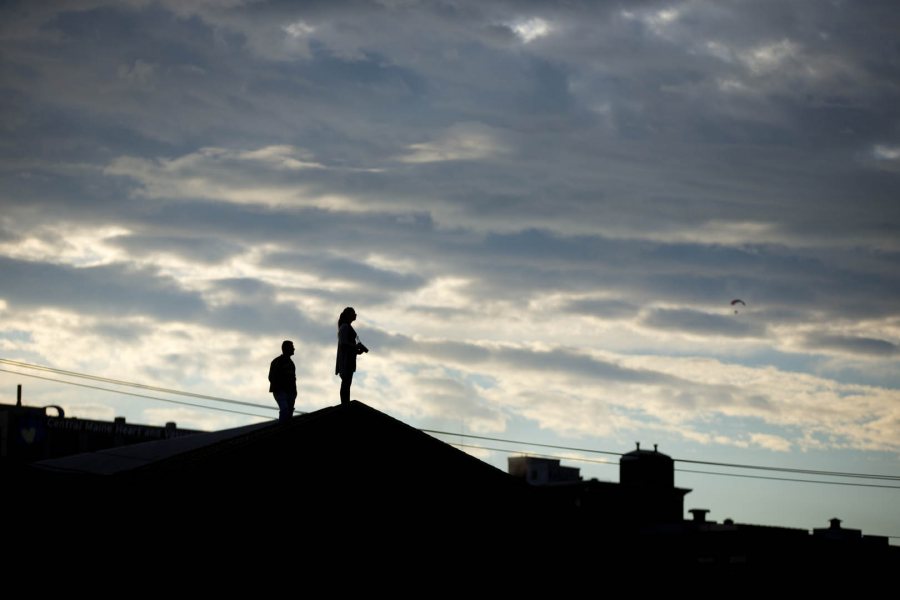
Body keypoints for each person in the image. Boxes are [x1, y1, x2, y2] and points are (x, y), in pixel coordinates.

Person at [335, 307, 368, 405]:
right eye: (353, 313)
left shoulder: (347, 326)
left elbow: (347, 344)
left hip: (349, 358)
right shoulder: (345, 327)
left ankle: (345, 403)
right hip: (346, 359)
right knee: (346, 383)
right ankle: (345, 404)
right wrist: (356, 346)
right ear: (348, 315)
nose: (355, 314)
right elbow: (343, 343)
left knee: (347, 383)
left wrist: (357, 351)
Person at [269, 340, 297, 423]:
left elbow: (293, 379)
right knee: (285, 410)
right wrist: (279, 388)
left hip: (290, 392)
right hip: (280, 391)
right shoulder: (277, 362)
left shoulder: (291, 363)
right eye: (292, 347)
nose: (294, 349)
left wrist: (294, 392)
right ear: (286, 348)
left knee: (288, 413)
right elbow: (271, 377)